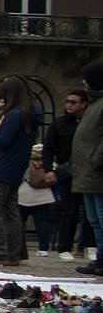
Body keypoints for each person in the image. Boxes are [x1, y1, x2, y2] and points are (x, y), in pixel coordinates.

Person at [0, 75, 33, 264]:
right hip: (14, 170)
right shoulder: (26, 114)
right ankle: (13, 253)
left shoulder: (14, 115)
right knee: (10, 212)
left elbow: (3, 142)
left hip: (1, 169)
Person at [46, 90, 89, 258]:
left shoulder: (88, 122)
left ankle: (88, 245)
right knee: (68, 210)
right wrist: (49, 169)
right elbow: (49, 147)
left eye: (74, 102)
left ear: (83, 104)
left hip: (88, 170)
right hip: (67, 170)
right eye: (67, 102)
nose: (69, 105)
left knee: (89, 212)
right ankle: (65, 246)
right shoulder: (59, 124)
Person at [72, 63, 103, 275]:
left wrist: (95, 160)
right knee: (93, 219)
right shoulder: (95, 104)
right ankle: (100, 256)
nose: (83, 83)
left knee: (101, 217)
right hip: (87, 171)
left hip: (96, 171)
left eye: (86, 78)